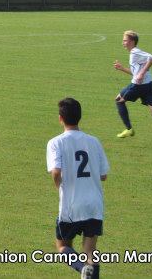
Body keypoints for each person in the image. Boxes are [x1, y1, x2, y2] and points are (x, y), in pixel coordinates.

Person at [46, 97, 108, 279]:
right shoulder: (94, 141)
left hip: (71, 206)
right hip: (94, 204)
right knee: (90, 252)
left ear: (60, 118)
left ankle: (81, 269)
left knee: (63, 246)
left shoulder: (56, 142)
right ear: (79, 117)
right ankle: (88, 271)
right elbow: (103, 175)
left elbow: (56, 172)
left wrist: (59, 187)